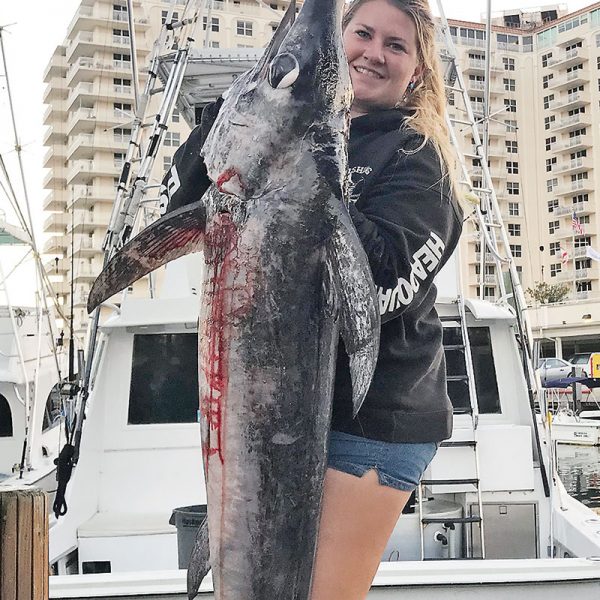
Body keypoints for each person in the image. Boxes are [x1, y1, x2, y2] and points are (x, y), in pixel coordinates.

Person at [160, 0, 463, 598]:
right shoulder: (282, 124)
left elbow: (382, 291)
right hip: (271, 409)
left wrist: (306, 182)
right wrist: (243, 122)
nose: (374, 53)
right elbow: (183, 208)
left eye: (396, 46)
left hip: (374, 418)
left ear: (419, 70)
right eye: (363, 34)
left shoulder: (420, 163)